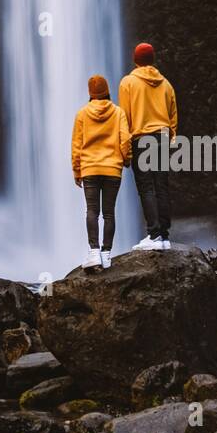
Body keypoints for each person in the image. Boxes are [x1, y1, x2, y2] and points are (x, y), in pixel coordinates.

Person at [119, 42, 178, 251]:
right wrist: (170, 137)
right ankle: (164, 234)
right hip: (161, 136)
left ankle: (153, 234)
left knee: (146, 188)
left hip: (141, 138)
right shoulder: (166, 84)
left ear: (135, 61)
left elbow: (124, 118)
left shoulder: (128, 83)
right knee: (161, 185)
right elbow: (172, 116)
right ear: (153, 60)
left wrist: (125, 150)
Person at [71, 74, 132, 270]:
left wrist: (77, 170)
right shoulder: (118, 113)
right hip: (112, 168)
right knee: (108, 213)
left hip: (89, 168)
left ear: (90, 94)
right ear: (107, 91)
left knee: (92, 211)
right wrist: (126, 159)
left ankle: (94, 252)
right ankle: (106, 254)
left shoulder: (82, 114)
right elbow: (125, 140)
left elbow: (76, 145)